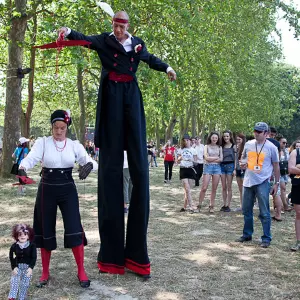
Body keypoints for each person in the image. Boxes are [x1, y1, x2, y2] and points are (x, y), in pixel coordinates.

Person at [58, 11, 176, 277]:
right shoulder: (104, 40)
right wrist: (67, 31)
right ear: (112, 25)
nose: (118, 29)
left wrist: (167, 67)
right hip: (111, 95)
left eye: (122, 26)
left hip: (131, 95)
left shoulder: (138, 43)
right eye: (115, 25)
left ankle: (137, 258)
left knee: (138, 165)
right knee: (110, 165)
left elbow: (151, 60)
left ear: (127, 26)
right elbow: (84, 40)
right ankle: (110, 258)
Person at [19, 109, 98, 288]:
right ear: (51, 127)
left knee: (74, 226)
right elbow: (31, 159)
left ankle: (81, 270)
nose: (59, 131)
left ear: (67, 127)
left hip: (67, 188)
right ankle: (45, 272)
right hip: (47, 187)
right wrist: (22, 167)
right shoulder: (43, 143)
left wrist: (89, 165)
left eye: (62, 128)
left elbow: (93, 163)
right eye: (56, 127)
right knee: (45, 227)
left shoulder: (74, 145)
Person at [236, 122, 280, 248]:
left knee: (264, 212)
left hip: (263, 182)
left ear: (266, 133)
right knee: (246, 210)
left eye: (259, 132)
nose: (256, 133)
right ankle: (247, 234)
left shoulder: (271, 147)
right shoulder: (249, 144)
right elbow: (243, 159)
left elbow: (276, 166)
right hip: (248, 181)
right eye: (255, 130)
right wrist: (243, 164)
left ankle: (266, 238)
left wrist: (276, 183)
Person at [8, 224, 36, 300]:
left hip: (27, 268)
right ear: (16, 236)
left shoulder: (32, 246)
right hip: (17, 268)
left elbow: (34, 258)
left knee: (24, 284)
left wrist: (31, 268)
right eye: (20, 234)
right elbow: (12, 257)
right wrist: (14, 267)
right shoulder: (14, 246)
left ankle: (22, 298)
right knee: (14, 282)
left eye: (25, 234)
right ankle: (12, 297)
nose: (22, 236)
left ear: (28, 236)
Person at [198, 132, 223, 213]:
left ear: (218, 139)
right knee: (204, 187)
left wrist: (210, 158)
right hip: (208, 167)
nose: (214, 139)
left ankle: (211, 206)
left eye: (216, 138)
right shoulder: (206, 146)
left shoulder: (220, 147)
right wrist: (216, 157)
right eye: (213, 137)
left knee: (214, 189)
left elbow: (221, 159)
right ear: (210, 138)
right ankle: (199, 205)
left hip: (217, 168)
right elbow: (206, 158)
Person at [177, 134, 198, 213]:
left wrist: (191, 160)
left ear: (190, 140)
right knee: (187, 189)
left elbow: (196, 163)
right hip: (183, 169)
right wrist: (180, 158)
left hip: (191, 169)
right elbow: (177, 161)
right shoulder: (180, 150)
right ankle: (191, 207)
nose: (186, 142)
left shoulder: (193, 150)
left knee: (188, 190)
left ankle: (184, 206)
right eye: (184, 140)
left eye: (187, 140)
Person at [220, 130, 235, 212]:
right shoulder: (221, 146)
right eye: (224, 136)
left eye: (227, 136)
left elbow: (235, 158)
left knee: (229, 186)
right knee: (223, 187)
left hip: (230, 166)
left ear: (230, 137)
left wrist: (235, 169)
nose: (226, 137)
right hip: (222, 166)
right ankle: (224, 204)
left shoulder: (233, 146)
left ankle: (228, 205)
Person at [288, 143, 300, 250]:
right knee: (299, 213)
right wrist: (296, 168)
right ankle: (298, 241)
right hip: (298, 186)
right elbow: (291, 169)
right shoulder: (296, 152)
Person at [234, 133, 246, 211]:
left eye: (239, 139)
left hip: (244, 170)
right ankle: (242, 206)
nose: (238, 141)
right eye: (237, 139)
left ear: (243, 140)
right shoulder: (236, 148)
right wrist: (235, 169)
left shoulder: (246, 148)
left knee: (245, 188)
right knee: (240, 188)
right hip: (238, 169)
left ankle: (247, 206)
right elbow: (235, 159)